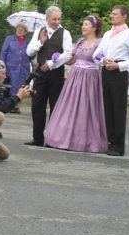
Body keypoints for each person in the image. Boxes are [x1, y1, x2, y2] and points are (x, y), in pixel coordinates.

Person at [45, 15, 108, 152]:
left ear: (94, 28)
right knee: (69, 107)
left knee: (87, 109)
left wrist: (101, 58)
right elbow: (71, 60)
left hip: (90, 78)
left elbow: (102, 59)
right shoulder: (79, 42)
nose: (83, 27)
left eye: (86, 24)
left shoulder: (100, 43)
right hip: (75, 77)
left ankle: (86, 141)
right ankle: (62, 138)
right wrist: (58, 56)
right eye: (83, 24)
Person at [93, 5, 129, 156]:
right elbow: (96, 54)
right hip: (106, 70)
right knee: (107, 108)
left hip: (119, 73)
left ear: (124, 16)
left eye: (115, 14)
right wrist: (103, 60)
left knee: (118, 109)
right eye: (112, 13)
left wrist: (119, 65)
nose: (111, 16)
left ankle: (118, 146)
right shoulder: (108, 34)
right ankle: (109, 141)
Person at [25, 6, 73, 147]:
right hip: (40, 71)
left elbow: (68, 54)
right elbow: (29, 52)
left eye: (58, 19)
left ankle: (53, 139)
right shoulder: (39, 32)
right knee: (37, 104)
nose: (56, 22)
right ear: (47, 19)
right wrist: (41, 42)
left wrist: (52, 64)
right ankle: (37, 137)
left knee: (55, 105)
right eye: (54, 19)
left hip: (56, 72)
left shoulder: (65, 33)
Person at [0, 23, 31, 113]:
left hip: (23, 67)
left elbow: (31, 54)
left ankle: (16, 106)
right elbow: (3, 53)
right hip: (11, 66)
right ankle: (10, 105)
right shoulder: (9, 39)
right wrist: (2, 67)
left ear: (25, 32)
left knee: (21, 85)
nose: (19, 31)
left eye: (21, 30)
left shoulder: (29, 41)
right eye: (18, 29)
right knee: (11, 85)